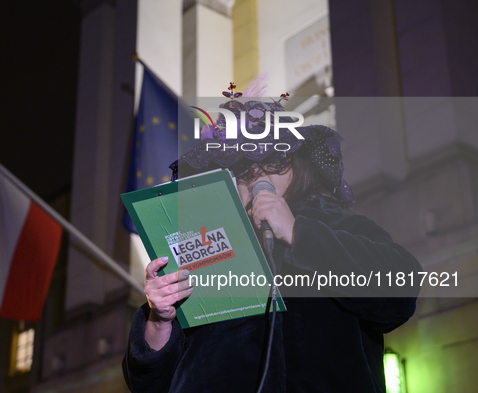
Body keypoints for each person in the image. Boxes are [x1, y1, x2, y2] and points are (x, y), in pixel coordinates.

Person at [122, 93, 421, 392]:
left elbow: (400, 292)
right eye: (243, 169)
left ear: (298, 166)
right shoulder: (203, 241)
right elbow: (148, 382)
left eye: (273, 160)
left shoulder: (339, 226)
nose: (258, 174)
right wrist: (158, 319)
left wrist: (297, 233)